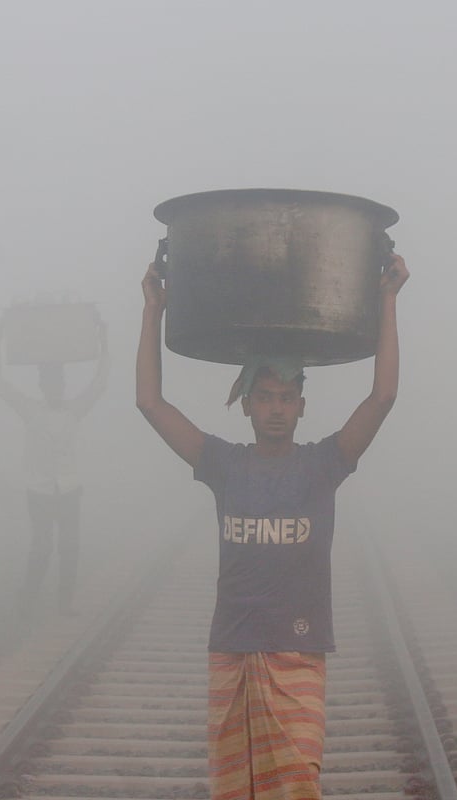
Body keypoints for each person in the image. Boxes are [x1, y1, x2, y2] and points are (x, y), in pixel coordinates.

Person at [136, 254, 409, 799]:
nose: (276, 409)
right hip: (232, 652)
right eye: (265, 398)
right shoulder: (222, 464)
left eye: (286, 399)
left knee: (300, 780)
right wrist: (152, 312)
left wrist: (387, 299)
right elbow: (149, 402)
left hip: (297, 652)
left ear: (302, 407)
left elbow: (383, 397)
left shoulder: (322, 466)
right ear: (248, 407)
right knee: (238, 788)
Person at [0, 320, 109, 618]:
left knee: (69, 548)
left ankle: (64, 602)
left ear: (63, 386)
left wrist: (103, 340)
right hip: (40, 489)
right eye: (50, 384)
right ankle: (28, 598)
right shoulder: (31, 410)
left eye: (59, 384)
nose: (55, 388)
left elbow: (100, 381)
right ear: (43, 387)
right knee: (41, 547)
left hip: (69, 488)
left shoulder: (74, 410)